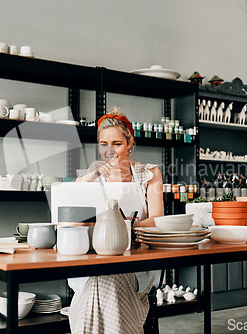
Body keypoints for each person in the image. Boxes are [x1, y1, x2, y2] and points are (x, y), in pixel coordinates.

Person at [68, 107, 164, 333]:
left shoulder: (149, 174)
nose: (109, 151)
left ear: (130, 143)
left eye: (117, 144)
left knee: (109, 279)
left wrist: (124, 227)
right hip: (92, 261)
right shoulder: (88, 175)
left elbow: (157, 220)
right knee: (101, 279)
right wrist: (87, 180)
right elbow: (71, 222)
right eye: (103, 144)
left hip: (134, 260)